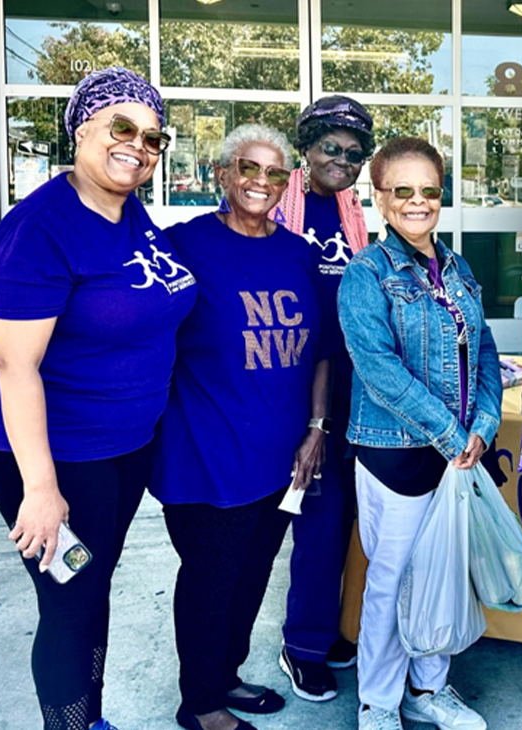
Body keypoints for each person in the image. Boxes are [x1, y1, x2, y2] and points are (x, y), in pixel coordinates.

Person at [0, 67, 194, 730]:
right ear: (81, 130)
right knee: (70, 599)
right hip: (56, 452)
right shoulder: (40, 227)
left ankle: (90, 720)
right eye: (122, 127)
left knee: (91, 585)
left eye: (153, 137)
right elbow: (16, 367)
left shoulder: (129, 212)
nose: (138, 146)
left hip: (124, 445)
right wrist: (40, 489)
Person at [149, 125, 334, 730]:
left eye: (275, 173)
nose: (261, 181)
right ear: (222, 174)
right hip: (205, 452)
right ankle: (200, 703)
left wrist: (316, 428)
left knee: (252, 576)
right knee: (211, 580)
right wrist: (30, 339)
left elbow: (322, 350)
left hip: (281, 456)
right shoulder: (183, 244)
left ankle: (224, 675)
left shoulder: (297, 253)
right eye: (248, 168)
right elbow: (122, 301)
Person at [338, 137, 502, 730]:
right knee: (392, 579)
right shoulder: (366, 275)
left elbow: (484, 349)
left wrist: (483, 424)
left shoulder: (457, 268)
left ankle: (428, 690)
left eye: (429, 190)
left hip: (456, 452)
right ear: (380, 199)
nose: (417, 202)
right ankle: (379, 702)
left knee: (442, 573)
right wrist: (451, 434)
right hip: (396, 452)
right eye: (402, 190)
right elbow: (379, 371)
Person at [269, 95, 375, 702]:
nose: (341, 160)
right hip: (297, 383)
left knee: (352, 519)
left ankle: (334, 627)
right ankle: (303, 645)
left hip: (350, 380)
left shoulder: (351, 212)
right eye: (330, 147)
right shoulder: (276, 202)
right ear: (306, 148)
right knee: (320, 517)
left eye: (354, 154)